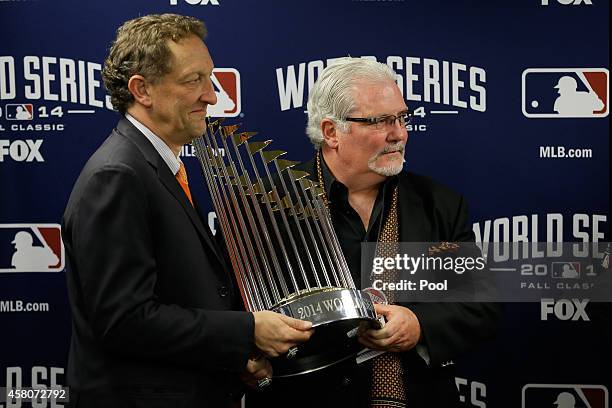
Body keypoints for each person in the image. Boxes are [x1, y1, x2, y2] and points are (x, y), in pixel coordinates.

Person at [62, 14, 312, 408]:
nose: (211, 96)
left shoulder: (154, 165)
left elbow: (183, 294)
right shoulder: (117, 175)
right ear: (141, 89)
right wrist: (247, 331)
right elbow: (124, 322)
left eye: (209, 79)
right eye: (193, 80)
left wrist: (235, 358)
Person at [248, 57, 501, 408]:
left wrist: (419, 324)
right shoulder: (265, 205)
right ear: (332, 131)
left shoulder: (439, 203)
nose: (398, 133)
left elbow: (481, 304)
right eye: (380, 121)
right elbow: (229, 313)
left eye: (401, 117)